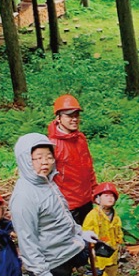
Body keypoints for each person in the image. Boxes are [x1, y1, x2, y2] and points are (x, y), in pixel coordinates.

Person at [9, 133, 105, 276]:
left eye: (48, 157)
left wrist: (80, 232)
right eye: (38, 158)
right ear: (25, 160)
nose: (45, 163)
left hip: (63, 252)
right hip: (49, 261)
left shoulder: (47, 183)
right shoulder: (24, 196)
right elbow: (27, 238)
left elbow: (61, 215)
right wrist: (41, 272)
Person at [48, 94, 96, 224]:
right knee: (74, 241)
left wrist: (94, 189)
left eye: (76, 115)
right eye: (69, 116)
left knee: (90, 237)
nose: (74, 119)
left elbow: (88, 167)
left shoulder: (81, 139)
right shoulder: (51, 144)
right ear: (58, 118)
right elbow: (46, 179)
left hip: (87, 200)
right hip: (68, 206)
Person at [82, 181, 125, 276]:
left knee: (111, 267)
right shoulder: (93, 215)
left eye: (112, 196)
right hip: (98, 248)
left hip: (112, 248)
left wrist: (120, 242)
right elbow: (86, 232)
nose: (110, 198)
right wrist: (90, 247)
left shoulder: (115, 216)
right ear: (98, 199)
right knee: (96, 269)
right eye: (106, 196)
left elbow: (118, 230)